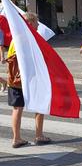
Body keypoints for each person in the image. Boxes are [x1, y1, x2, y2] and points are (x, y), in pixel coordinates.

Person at [7, 12, 51, 148]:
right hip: (30, 79)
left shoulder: (16, 38)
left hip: (14, 80)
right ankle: (39, 135)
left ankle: (16, 138)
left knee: (17, 108)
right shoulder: (30, 39)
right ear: (30, 24)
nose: (38, 26)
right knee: (40, 104)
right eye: (36, 23)